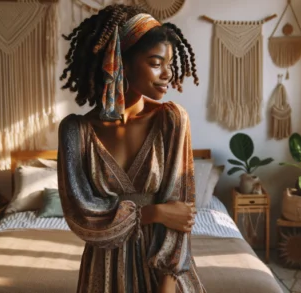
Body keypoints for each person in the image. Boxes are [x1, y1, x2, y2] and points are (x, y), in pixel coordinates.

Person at [57, 4, 205, 293]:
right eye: (155, 62)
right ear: (119, 61)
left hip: (160, 271)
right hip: (102, 272)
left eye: (169, 63)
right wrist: (153, 213)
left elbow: (181, 213)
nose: (167, 74)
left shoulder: (172, 120)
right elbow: (81, 214)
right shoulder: (75, 132)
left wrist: (167, 285)